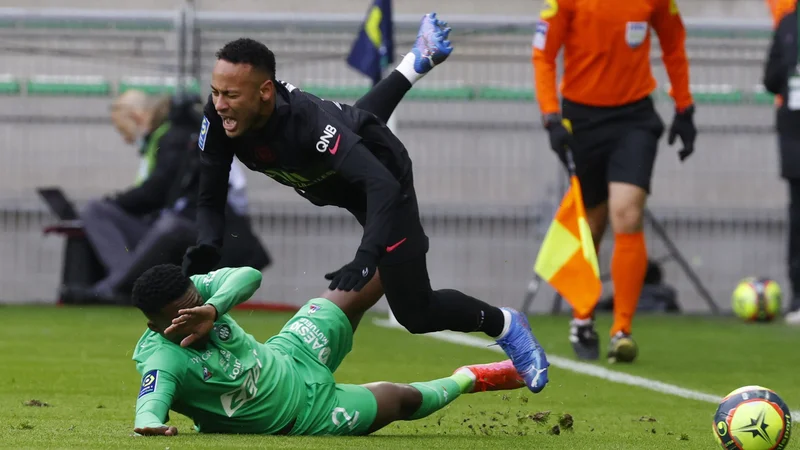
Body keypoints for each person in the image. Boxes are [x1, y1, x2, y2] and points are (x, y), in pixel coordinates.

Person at [181, 13, 549, 393]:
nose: (220, 104)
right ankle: (415, 62)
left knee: (415, 312)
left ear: (265, 92)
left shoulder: (308, 124)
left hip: (385, 181)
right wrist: (207, 242)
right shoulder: (221, 116)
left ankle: (506, 324)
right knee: (357, 122)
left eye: (231, 95)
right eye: (215, 92)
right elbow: (210, 190)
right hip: (342, 174)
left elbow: (380, 185)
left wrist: (367, 256)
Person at [131, 264, 526, 436]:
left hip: (290, 353)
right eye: (181, 317)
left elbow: (248, 276)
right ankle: (471, 377)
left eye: (195, 304)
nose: (194, 316)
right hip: (306, 415)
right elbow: (151, 401)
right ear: (155, 325)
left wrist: (213, 307)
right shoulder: (164, 358)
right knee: (401, 399)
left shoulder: (200, 291)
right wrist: (150, 423)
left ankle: (400, 237)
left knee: (361, 280)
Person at [531, 0, 697, 362]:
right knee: (592, 222)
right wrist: (551, 116)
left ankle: (621, 329)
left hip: (634, 118)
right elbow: (543, 55)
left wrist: (684, 107)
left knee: (627, 213)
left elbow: (673, 43)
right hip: (582, 119)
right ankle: (582, 316)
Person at [61, 93, 269, 305]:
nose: (125, 139)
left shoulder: (174, 138)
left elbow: (155, 191)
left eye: (123, 131)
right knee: (98, 211)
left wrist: (116, 202)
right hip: (175, 222)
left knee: (162, 225)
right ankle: (122, 281)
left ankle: (117, 285)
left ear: (136, 117)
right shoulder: (169, 139)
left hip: (201, 230)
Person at [763, 4, 800, 324]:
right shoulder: (788, 24)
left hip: (793, 131)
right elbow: (770, 78)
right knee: (797, 213)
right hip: (794, 132)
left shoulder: (789, 24)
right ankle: (799, 296)